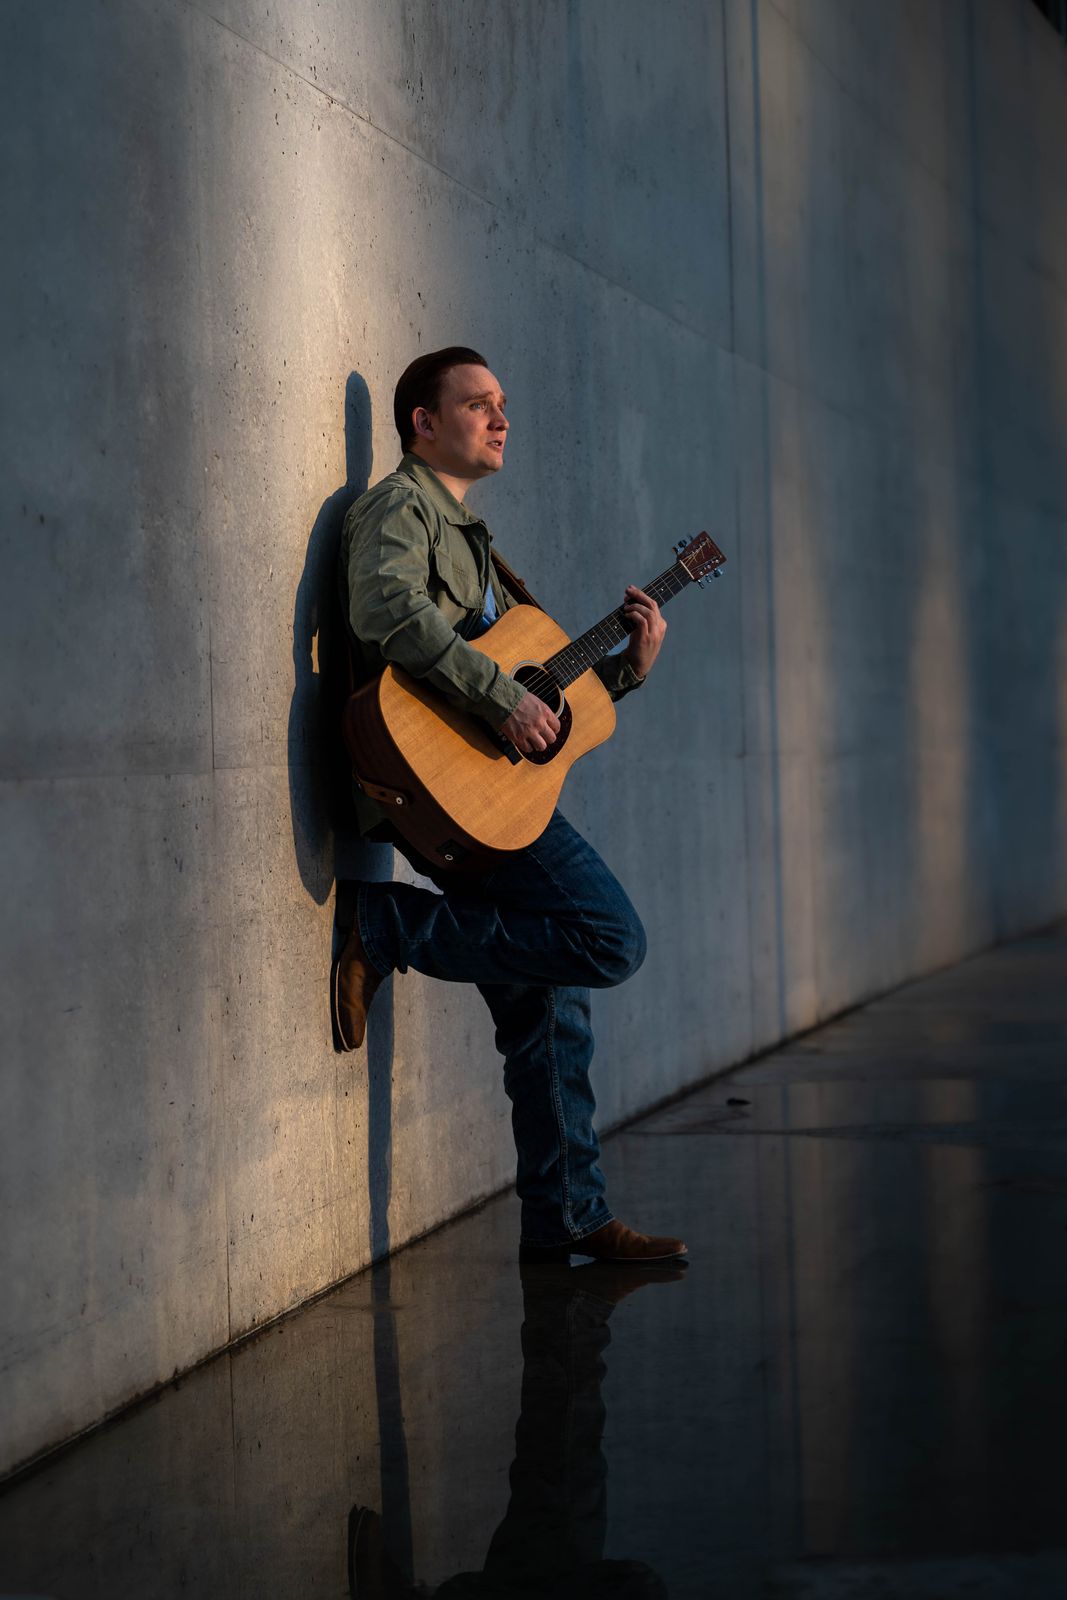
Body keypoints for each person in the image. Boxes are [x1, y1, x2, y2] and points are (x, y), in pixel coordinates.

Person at [335, 346, 686, 1264]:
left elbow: (537, 694)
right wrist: (500, 700)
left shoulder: (477, 543)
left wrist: (626, 672)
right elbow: (386, 612)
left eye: (503, 404)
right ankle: (389, 925)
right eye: (478, 404)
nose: (500, 418)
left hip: (491, 791)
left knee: (548, 1008)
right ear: (423, 422)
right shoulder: (400, 507)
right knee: (610, 939)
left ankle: (567, 1216)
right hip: (441, 785)